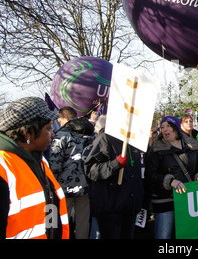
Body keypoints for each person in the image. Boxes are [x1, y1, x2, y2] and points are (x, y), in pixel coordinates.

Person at [0, 97, 69, 239]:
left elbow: (50, 206)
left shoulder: (40, 161)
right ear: (28, 134)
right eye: (48, 128)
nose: (53, 133)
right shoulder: (3, 167)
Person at [145, 116, 198, 239]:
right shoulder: (156, 150)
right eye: (162, 127)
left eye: (168, 126)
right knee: (164, 236)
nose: (165, 129)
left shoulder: (191, 145)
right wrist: (169, 181)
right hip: (165, 202)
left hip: (188, 200)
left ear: (176, 128)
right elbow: (150, 175)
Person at [84, 128, 144, 239]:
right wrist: (115, 164)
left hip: (130, 207)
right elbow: (91, 170)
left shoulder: (135, 141)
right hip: (111, 207)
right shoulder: (104, 138)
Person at [48, 107, 95, 239]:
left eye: (60, 118)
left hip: (63, 187)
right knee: (83, 221)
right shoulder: (91, 134)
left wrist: (53, 183)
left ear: (66, 118)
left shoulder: (62, 135)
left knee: (62, 220)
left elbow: (55, 162)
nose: (58, 121)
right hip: (86, 186)